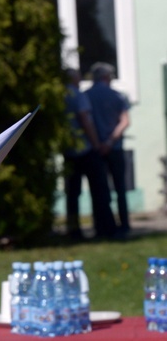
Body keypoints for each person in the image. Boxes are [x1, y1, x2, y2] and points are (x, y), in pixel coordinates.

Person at [62, 68, 117, 239]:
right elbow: (85, 120)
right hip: (86, 150)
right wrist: (96, 144)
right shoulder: (78, 95)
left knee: (72, 193)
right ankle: (103, 228)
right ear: (75, 79)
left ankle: (74, 229)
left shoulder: (61, 96)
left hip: (69, 150)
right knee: (99, 190)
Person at [86, 62, 132, 235]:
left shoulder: (86, 96)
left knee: (99, 190)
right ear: (107, 77)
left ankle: (103, 227)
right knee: (120, 188)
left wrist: (99, 143)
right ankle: (124, 226)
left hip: (95, 149)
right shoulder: (118, 96)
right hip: (115, 148)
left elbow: (86, 122)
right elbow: (125, 121)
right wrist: (110, 141)